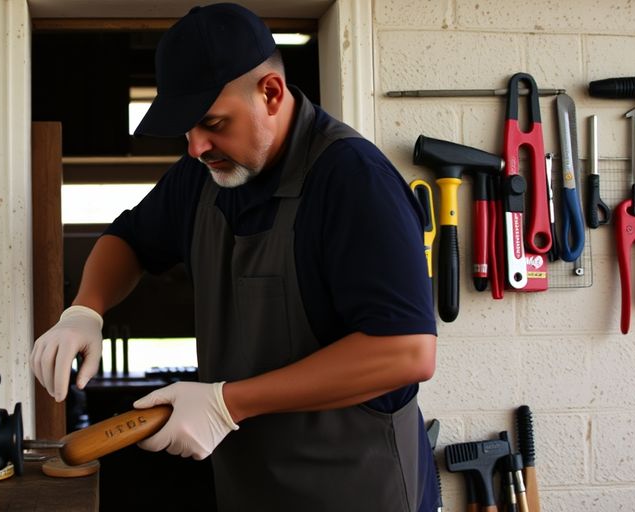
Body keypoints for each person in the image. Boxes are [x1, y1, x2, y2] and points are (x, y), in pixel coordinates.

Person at [31, 3, 438, 511]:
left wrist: (226, 404)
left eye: (213, 123)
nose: (197, 146)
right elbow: (129, 239)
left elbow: (406, 352)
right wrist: (84, 311)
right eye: (187, 130)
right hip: (252, 487)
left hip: (354, 488)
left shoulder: (354, 181)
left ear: (270, 93)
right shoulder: (203, 173)